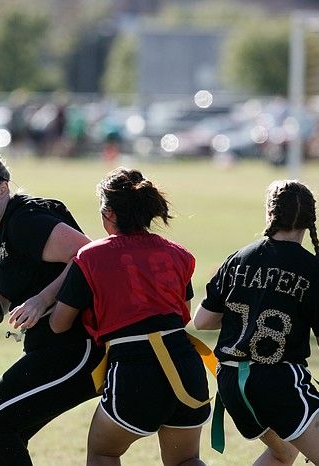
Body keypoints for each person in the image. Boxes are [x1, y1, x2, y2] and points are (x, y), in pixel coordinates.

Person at [0, 151, 106, 465]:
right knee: (3, 428)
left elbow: (90, 255)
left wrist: (44, 298)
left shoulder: (26, 220)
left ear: (3, 189)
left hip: (78, 347)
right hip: (46, 347)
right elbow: (3, 301)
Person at [50, 167, 211, 466]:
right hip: (186, 366)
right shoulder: (178, 253)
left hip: (135, 370)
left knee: (103, 453)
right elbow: (182, 313)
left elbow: (59, 324)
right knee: (186, 461)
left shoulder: (91, 256)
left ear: (109, 213)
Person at [194, 180, 319, 465]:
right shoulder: (314, 270)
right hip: (279, 384)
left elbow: (202, 321)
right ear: (310, 220)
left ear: (270, 214)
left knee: (283, 453)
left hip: (230, 384)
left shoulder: (238, 258)